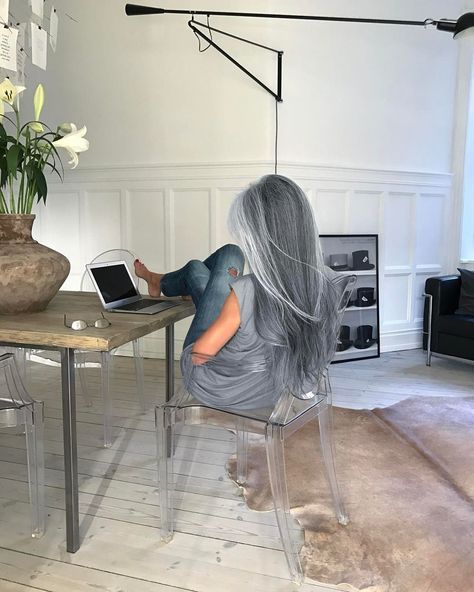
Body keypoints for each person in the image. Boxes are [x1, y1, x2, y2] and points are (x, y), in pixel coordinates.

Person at [134, 174, 340, 410]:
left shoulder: (246, 290)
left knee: (212, 263)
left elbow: (198, 356)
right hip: (284, 381)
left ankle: (161, 282)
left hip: (222, 385)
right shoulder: (326, 280)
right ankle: (162, 282)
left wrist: (226, 322)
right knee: (203, 267)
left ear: (258, 239)